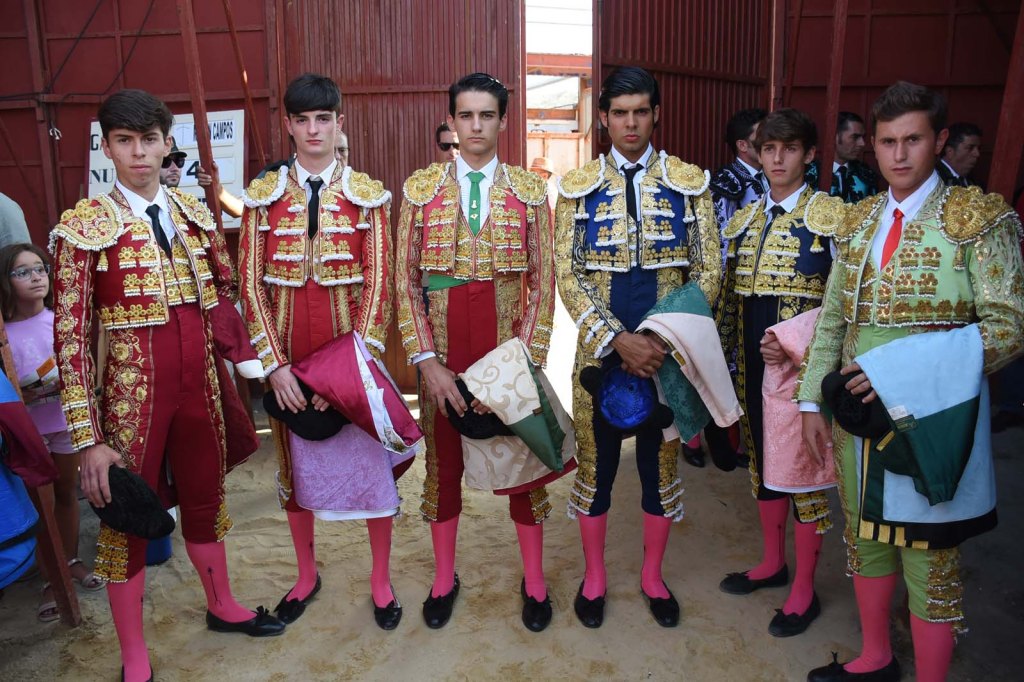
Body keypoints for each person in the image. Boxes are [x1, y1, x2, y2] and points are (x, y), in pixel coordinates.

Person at [51, 89, 283, 682]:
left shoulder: (194, 215)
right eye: (124, 141)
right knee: (126, 518)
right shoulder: (84, 228)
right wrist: (88, 439)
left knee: (207, 499)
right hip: (132, 399)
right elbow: (71, 339)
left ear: (165, 144)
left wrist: (244, 357)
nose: (138, 153)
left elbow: (223, 292)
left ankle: (222, 606)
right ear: (108, 148)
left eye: (148, 140)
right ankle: (134, 657)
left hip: (199, 385)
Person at [799, 82, 1024, 682]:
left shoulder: (978, 219)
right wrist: (810, 400)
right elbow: (834, 319)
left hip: (935, 416)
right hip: (855, 415)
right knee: (865, 537)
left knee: (930, 556)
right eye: (887, 142)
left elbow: (1009, 327)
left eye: (913, 140)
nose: (899, 155)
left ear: (939, 140)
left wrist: (900, 372)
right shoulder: (860, 220)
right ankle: (876, 657)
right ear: (872, 145)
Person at [554, 66, 721, 628]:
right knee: (595, 468)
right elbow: (567, 271)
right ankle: (594, 577)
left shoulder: (688, 183)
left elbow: (710, 269)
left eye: (641, 112)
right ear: (603, 118)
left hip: (665, 357)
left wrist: (657, 340)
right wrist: (617, 339)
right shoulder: (576, 187)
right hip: (600, 355)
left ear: (656, 115)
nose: (631, 123)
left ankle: (652, 577)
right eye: (620, 113)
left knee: (660, 469)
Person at [238, 73, 400, 630]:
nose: (313, 130)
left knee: (371, 468)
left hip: (346, 358)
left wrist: (350, 375)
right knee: (293, 470)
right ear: (288, 124)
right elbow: (250, 286)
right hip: (288, 359)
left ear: (339, 122)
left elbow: (379, 286)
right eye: (302, 120)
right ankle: (306, 575)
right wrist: (274, 367)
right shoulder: (261, 199)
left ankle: (380, 580)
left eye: (323, 119)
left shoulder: (369, 196)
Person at [396, 72, 555, 632]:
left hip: (505, 350)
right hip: (443, 352)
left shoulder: (530, 192)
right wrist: (427, 364)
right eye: (466, 115)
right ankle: (444, 578)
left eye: (487, 115)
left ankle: (534, 580)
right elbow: (404, 283)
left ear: (502, 121)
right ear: (452, 122)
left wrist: (516, 372)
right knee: (442, 467)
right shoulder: (420, 191)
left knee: (525, 463)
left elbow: (544, 282)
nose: (476, 126)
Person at [716, 109, 843, 637]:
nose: (777, 158)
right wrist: (718, 370)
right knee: (763, 463)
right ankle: (773, 562)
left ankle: (804, 589)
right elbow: (729, 303)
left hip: (802, 370)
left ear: (809, 155)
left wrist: (795, 343)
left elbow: (844, 306)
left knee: (804, 475)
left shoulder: (832, 218)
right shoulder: (745, 220)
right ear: (755, 152)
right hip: (751, 364)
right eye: (769, 148)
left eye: (789, 148)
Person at [0, 243, 105, 623]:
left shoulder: (62, 320)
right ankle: (50, 578)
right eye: (22, 272)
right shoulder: (3, 332)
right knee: (38, 502)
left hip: (63, 420)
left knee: (65, 493)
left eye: (40, 268)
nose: (36, 277)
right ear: (5, 281)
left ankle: (71, 560)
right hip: (27, 430)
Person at [698, 107, 769, 469]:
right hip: (730, 289)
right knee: (719, 365)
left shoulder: (769, 177)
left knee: (748, 363)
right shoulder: (726, 182)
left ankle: (741, 441)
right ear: (743, 145)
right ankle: (710, 441)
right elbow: (717, 240)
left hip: (759, 287)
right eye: (762, 137)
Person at [805, 112, 880, 203]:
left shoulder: (867, 175)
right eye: (855, 137)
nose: (862, 143)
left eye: (862, 137)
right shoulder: (808, 173)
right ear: (835, 137)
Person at [937, 122, 982, 187]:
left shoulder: (972, 180)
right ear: (950, 151)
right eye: (970, 148)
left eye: (979, 148)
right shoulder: (934, 178)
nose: (977, 154)